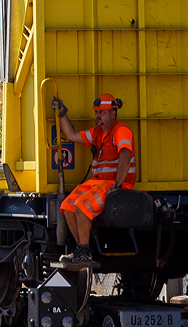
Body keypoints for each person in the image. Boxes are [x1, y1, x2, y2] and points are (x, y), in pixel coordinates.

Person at [50, 93, 136, 270]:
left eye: (102, 112)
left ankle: (84, 251)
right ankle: (82, 250)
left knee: (82, 206)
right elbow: (72, 135)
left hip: (113, 184)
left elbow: (125, 156)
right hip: (98, 183)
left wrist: (118, 186)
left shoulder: (121, 131)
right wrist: (62, 112)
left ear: (113, 113)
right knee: (67, 206)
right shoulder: (98, 133)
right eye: (97, 112)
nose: (98, 116)